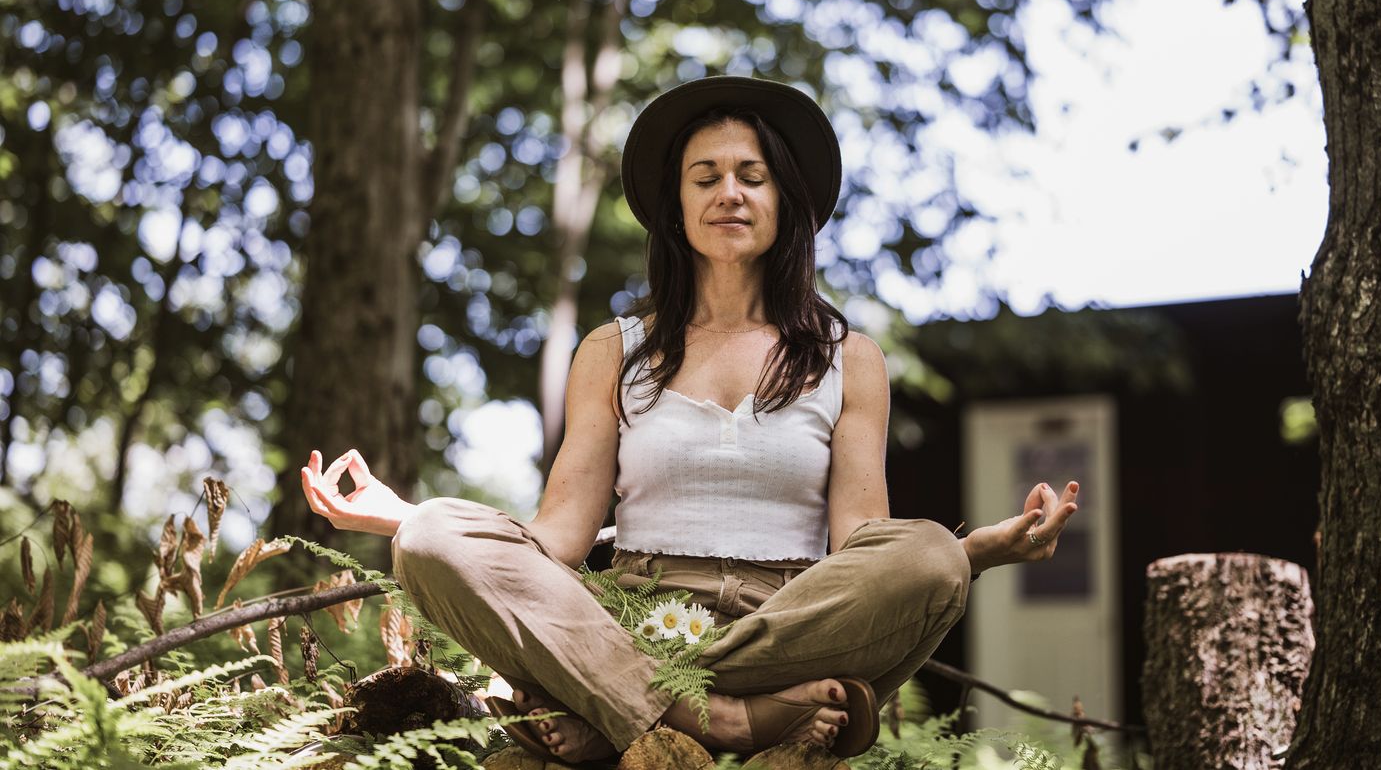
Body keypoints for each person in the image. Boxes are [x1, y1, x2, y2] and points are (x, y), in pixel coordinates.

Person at [300, 75, 1081, 765]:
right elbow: (559, 540)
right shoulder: (614, 351)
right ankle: (729, 720)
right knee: (432, 533)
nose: (729, 193)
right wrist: (402, 516)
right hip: (634, 619)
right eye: (705, 177)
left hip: (790, 623)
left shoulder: (853, 359)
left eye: (753, 176)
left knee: (928, 556)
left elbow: (860, 549)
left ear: (786, 203)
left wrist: (972, 553)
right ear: (677, 207)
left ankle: (618, 711)